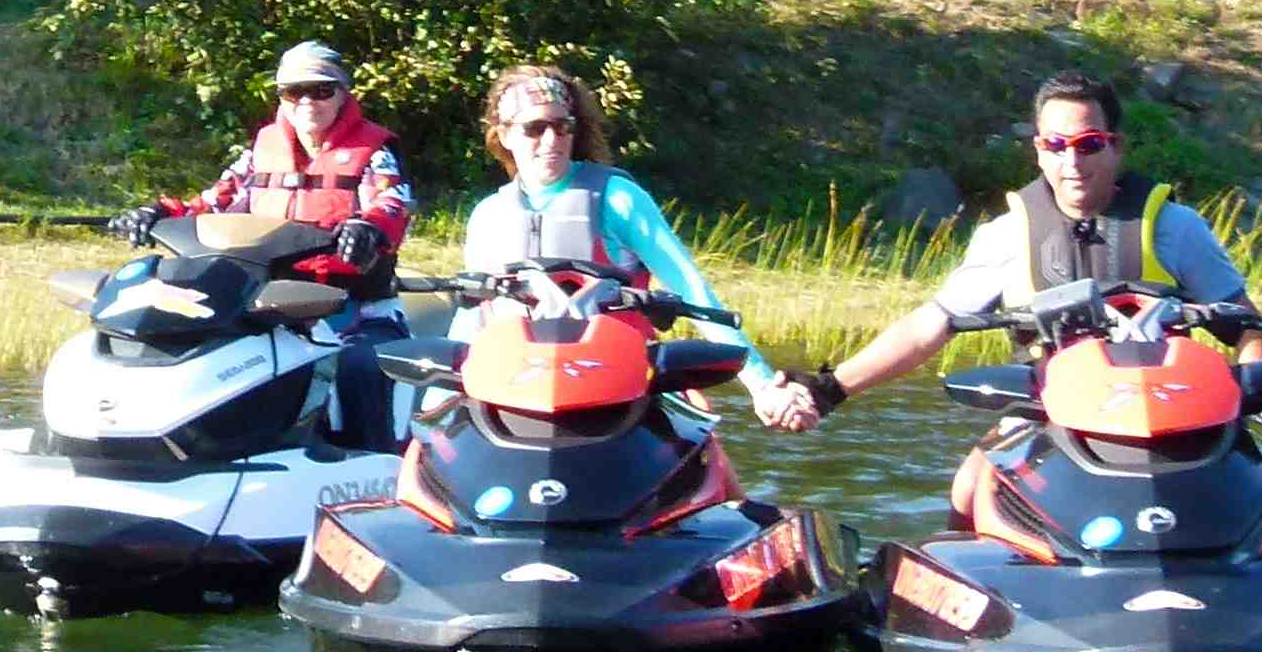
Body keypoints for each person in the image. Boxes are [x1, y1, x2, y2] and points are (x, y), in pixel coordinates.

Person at [759, 68, 1262, 429]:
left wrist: (1249, 403)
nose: (1072, 161)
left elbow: (1250, 328)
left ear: (1116, 146)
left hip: (1171, 420)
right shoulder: (1005, 236)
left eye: (1089, 144)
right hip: (1049, 417)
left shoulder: (1177, 228)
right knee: (971, 488)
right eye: (1056, 146)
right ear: (1039, 151)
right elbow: (928, 327)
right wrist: (826, 390)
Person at [457, 63, 792, 416]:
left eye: (562, 126)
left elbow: (691, 288)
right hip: (520, 386)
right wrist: (434, 410)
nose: (552, 140)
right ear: (505, 135)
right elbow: (472, 315)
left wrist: (762, 385)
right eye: (535, 129)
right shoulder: (488, 216)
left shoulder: (619, 198)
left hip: (620, 384)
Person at [120, 42, 416, 295]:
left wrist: (368, 227)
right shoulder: (263, 147)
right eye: (294, 92)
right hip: (266, 294)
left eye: (321, 90)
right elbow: (217, 201)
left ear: (342, 94)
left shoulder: (375, 149)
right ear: (281, 97)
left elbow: (392, 204)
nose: (307, 102)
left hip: (351, 298)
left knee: (369, 348)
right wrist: (161, 213)